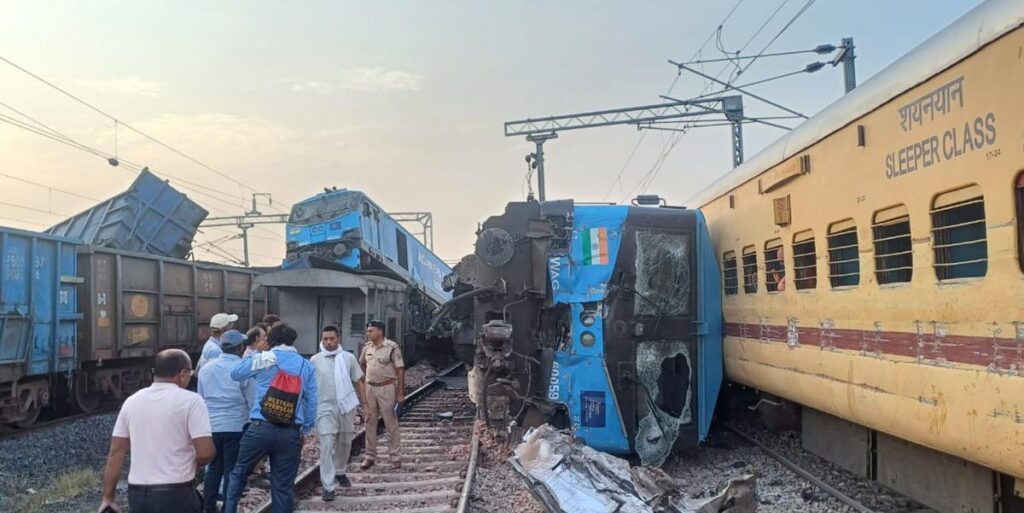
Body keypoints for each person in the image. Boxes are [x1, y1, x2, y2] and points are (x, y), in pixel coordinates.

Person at [97, 349, 214, 513]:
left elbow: (116, 452)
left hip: (139, 495)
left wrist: (108, 498)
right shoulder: (192, 401)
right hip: (177, 493)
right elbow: (206, 453)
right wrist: (194, 463)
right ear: (182, 374)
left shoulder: (131, 402)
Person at [222, 323, 317, 513]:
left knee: (239, 474)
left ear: (270, 341)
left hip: (260, 428)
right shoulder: (305, 365)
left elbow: (236, 374)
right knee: (282, 487)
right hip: (290, 433)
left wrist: (254, 352)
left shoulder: (264, 358)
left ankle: (229, 510)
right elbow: (312, 401)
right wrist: (305, 429)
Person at [197, 330, 253, 513]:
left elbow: (201, 397)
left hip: (212, 426)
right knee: (232, 470)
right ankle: (229, 508)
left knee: (214, 468)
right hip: (236, 426)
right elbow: (251, 400)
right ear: (240, 348)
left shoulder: (206, 369)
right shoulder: (243, 369)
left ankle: (208, 506)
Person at [310, 326, 365, 501]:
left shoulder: (348, 358)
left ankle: (339, 470)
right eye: (325, 339)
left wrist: (365, 404)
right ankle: (328, 485)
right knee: (326, 444)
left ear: (338, 339)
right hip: (324, 407)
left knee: (345, 440)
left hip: (346, 405)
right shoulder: (315, 360)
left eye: (331, 339)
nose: (328, 342)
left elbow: (358, 380)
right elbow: (310, 386)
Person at [358, 320, 405, 470]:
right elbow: (362, 364)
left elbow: (400, 370)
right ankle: (369, 456)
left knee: (390, 423)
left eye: (371, 331)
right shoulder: (367, 348)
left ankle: (395, 457)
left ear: (380, 331)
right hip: (370, 387)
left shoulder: (391, 347)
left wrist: (400, 392)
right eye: (367, 331)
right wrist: (366, 380)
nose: (368, 334)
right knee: (369, 422)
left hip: (387, 387)